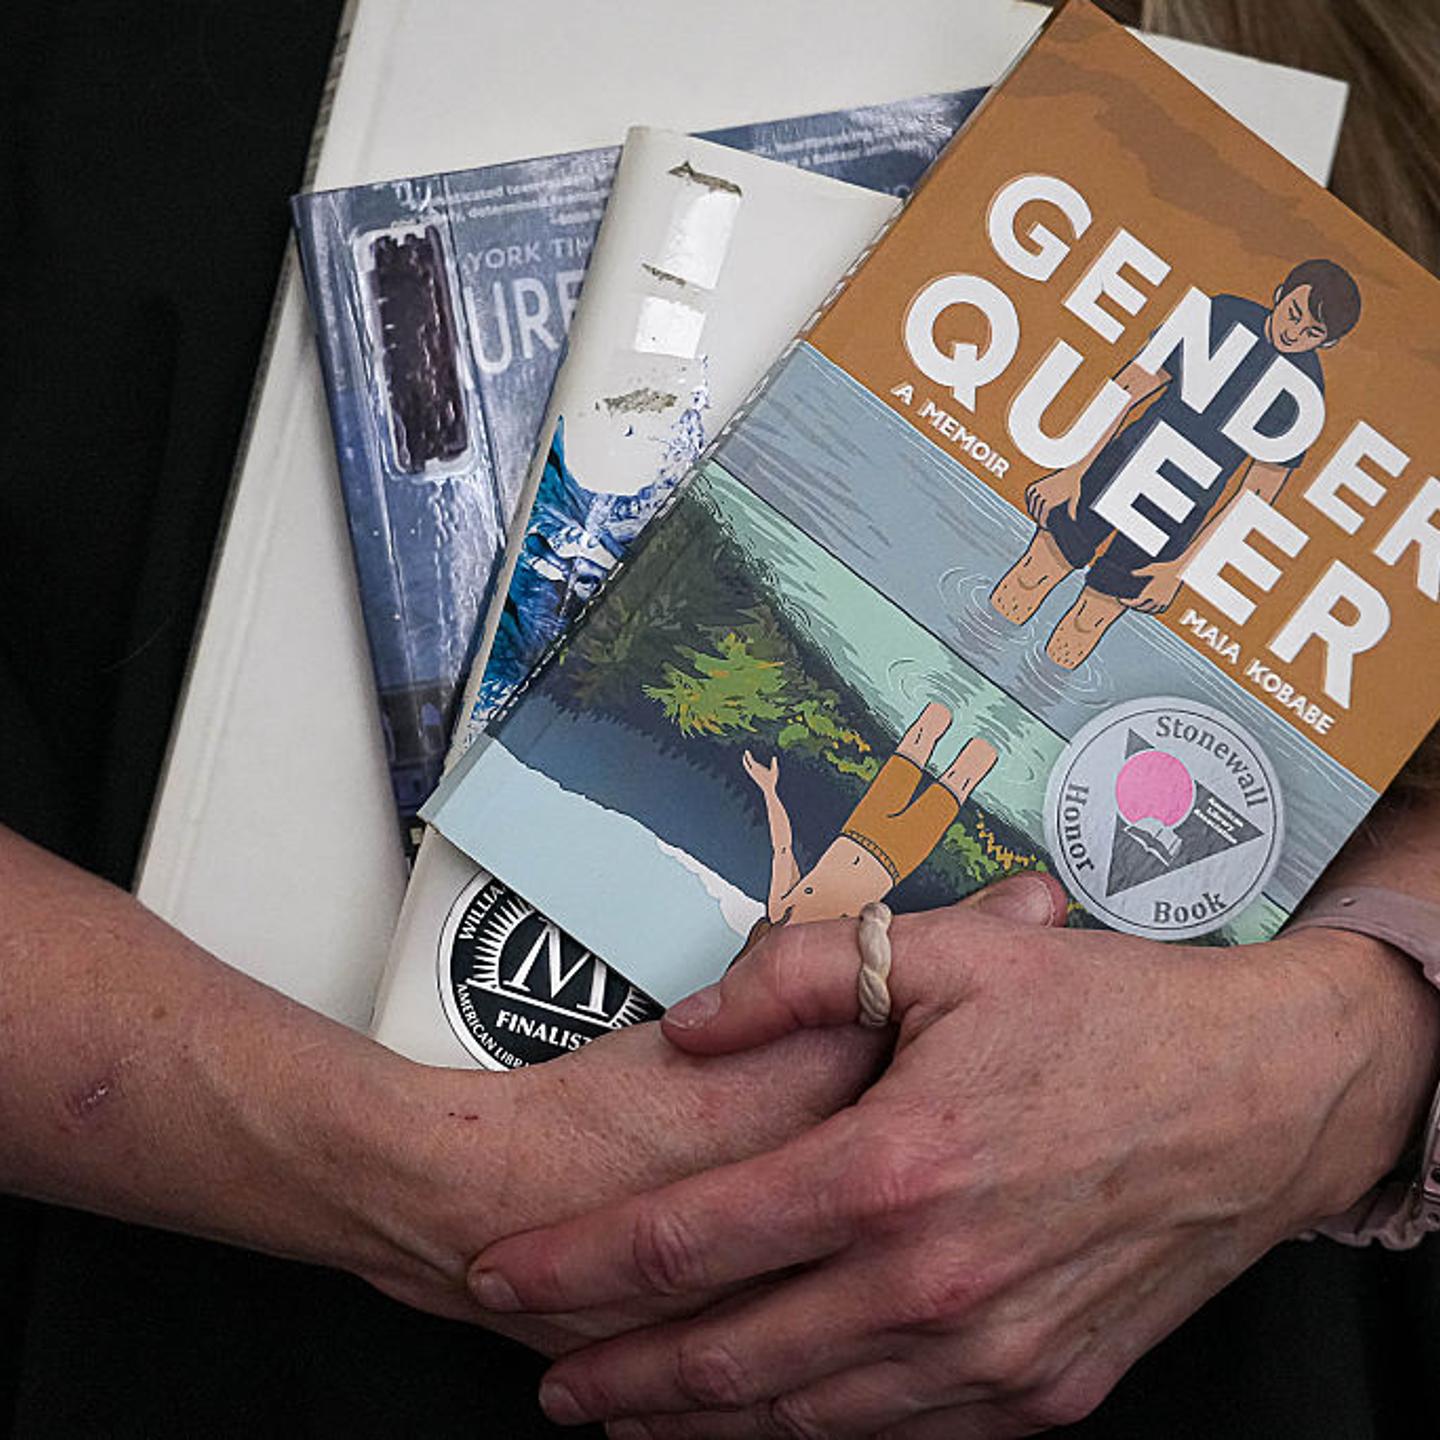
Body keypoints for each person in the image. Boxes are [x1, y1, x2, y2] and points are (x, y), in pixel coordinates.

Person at [5, 4, 1440, 1440]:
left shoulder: (1344, 77)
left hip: (1164, 1345)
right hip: (198, 1334)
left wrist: (1354, 1045)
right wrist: (417, 1176)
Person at [990, 260, 1361, 668]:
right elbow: (1135, 384)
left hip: (1179, 511)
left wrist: (1180, 570)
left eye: (1312, 333)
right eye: (1294, 314)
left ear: (1326, 343)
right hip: (1120, 464)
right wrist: (1073, 470)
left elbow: (1256, 496)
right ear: (1280, 294)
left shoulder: (1305, 395)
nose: (1294, 333)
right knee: (1032, 573)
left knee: (1086, 624)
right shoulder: (1223, 314)